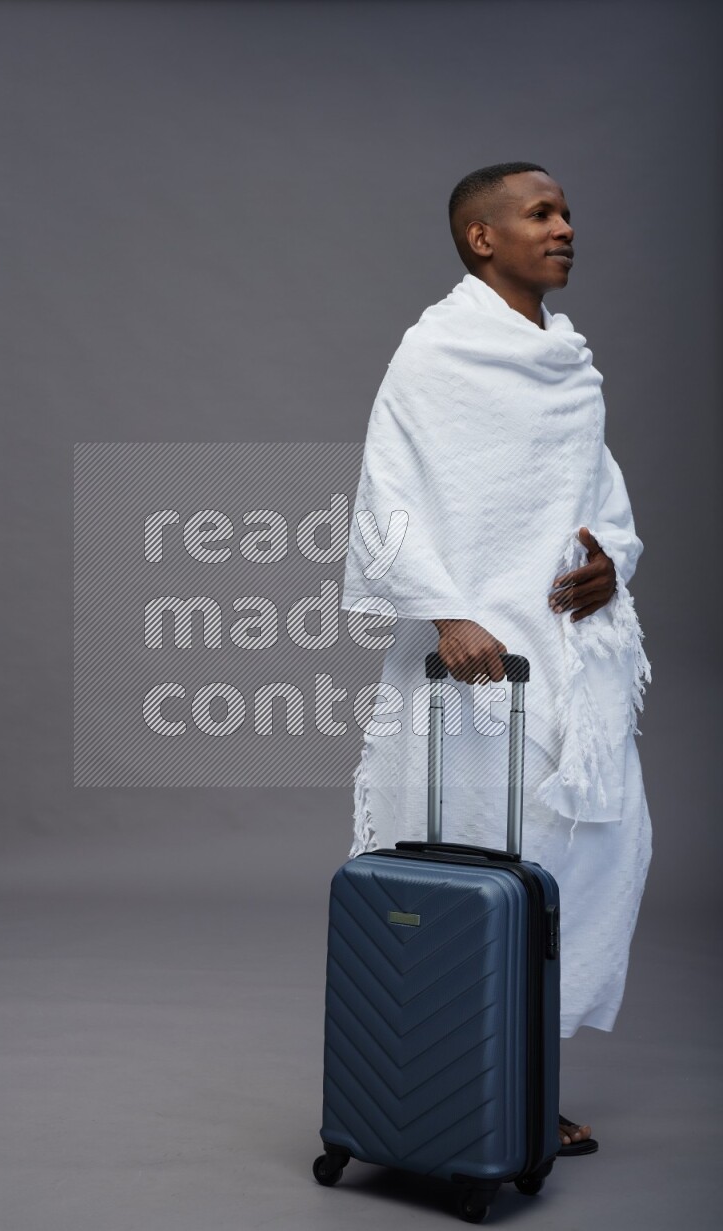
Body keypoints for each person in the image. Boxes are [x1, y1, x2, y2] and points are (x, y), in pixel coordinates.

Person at [340, 162, 652, 1155]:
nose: (563, 228)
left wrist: (609, 558)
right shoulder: (433, 354)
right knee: (475, 843)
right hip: (471, 659)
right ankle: (451, 1075)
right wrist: (440, 611)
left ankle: (517, 1073)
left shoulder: (566, 358)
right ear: (482, 238)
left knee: (590, 851)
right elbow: (385, 489)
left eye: (564, 213)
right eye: (540, 213)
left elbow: (592, 485)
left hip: (568, 648)